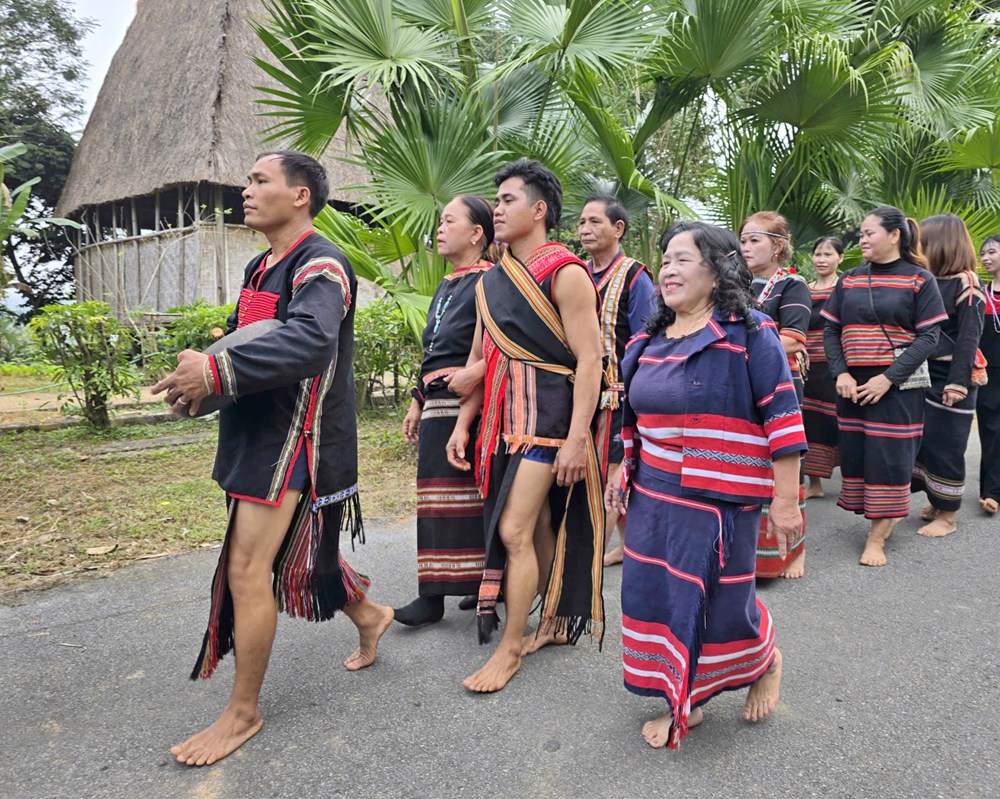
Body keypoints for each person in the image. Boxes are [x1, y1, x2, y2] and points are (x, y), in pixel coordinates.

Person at [152, 151, 393, 766]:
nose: (247, 190)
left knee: (247, 568)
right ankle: (370, 614)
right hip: (256, 432)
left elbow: (310, 341)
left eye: (260, 181)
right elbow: (248, 335)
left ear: (300, 195)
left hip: (295, 440)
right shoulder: (261, 266)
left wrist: (217, 370)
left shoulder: (322, 264)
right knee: (290, 554)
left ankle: (243, 713)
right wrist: (201, 367)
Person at [606, 221, 805, 750]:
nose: (668, 270)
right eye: (665, 260)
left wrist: (786, 502)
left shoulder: (751, 333)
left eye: (682, 259)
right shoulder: (646, 340)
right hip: (653, 496)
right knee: (656, 595)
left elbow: (783, 417)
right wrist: (620, 469)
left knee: (720, 601)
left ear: (717, 272)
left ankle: (764, 660)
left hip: (718, 500)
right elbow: (630, 419)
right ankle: (683, 694)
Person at [446, 158, 605, 693]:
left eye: (508, 200)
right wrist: (462, 424)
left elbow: (591, 360)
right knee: (535, 528)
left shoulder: (566, 272)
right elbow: (482, 359)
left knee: (513, 531)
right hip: (499, 421)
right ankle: (552, 616)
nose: (497, 209)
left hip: (548, 423)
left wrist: (578, 438)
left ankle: (510, 648)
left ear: (539, 210)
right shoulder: (490, 281)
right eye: (496, 201)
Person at [822, 206, 947, 566]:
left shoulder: (920, 279)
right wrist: (841, 373)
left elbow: (929, 337)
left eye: (869, 233)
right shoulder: (849, 280)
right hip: (852, 384)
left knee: (889, 459)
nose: (862, 239)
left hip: (897, 385)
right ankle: (882, 518)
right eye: (861, 234)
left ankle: (877, 537)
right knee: (859, 455)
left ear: (894, 235)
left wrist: (888, 378)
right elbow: (831, 329)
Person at [393, 196, 496, 627]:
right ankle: (435, 592)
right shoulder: (448, 283)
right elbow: (433, 351)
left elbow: (495, 345)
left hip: (469, 402)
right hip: (436, 403)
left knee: (469, 498)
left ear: (476, 233)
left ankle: (478, 585)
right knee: (435, 498)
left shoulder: (490, 281)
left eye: (449, 221)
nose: (439, 228)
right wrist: (417, 400)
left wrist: (472, 377)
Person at [577, 195, 656, 568]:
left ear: (618, 228)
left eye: (595, 221)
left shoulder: (635, 276)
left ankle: (589, 559)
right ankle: (624, 544)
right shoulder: (577, 273)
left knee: (613, 473)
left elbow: (645, 339)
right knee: (589, 472)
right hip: (581, 392)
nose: (585, 229)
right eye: (582, 222)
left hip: (618, 393)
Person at [740, 211, 811, 579]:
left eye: (755, 240)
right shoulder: (735, 283)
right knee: (751, 461)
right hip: (743, 383)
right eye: (743, 240)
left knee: (785, 459)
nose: (746, 246)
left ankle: (795, 551)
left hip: (780, 384)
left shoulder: (792, 286)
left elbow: (793, 340)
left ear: (778, 246)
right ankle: (753, 555)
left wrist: (737, 351)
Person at [910, 215, 985, 537]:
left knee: (946, 445)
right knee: (925, 443)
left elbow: (969, 338)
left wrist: (958, 383)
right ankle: (937, 501)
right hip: (925, 373)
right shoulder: (928, 280)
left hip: (951, 375)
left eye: (923, 241)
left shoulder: (967, 282)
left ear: (940, 244)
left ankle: (949, 515)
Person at [803, 237, 845, 498]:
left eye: (828, 254)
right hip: (808, 366)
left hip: (836, 367)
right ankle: (814, 484)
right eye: (818, 254)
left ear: (840, 258)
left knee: (839, 421)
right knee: (811, 422)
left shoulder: (846, 288)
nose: (821, 259)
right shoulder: (803, 290)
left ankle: (851, 483)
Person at [977, 234, 1000, 514]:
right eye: (983, 253)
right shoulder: (980, 294)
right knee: (990, 430)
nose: (985, 258)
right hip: (987, 373)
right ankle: (990, 491)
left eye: (992, 252)